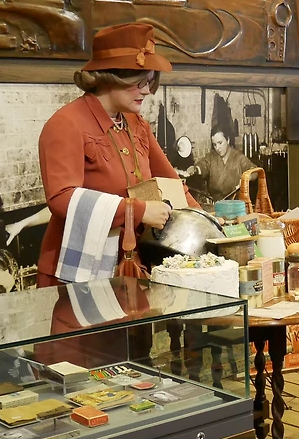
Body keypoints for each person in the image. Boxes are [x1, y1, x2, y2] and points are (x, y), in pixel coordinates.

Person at [36, 22, 198, 286]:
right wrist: (137, 210)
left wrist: (209, 224)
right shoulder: (66, 124)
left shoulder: (136, 124)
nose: (147, 90)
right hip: (75, 277)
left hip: (131, 266)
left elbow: (172, 185)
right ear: (112, 76)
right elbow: (61, 198)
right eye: (140, 82)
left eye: (149, 82)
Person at [186, 127, 256, 202]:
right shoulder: (212, 157)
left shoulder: (238, 158)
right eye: (214, 145)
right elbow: (203, 165)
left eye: (220, 143)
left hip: (236, 205)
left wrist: (246, 178)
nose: (217, 148)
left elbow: (254, 171)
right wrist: (195, 169)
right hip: (217, 205)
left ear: (228, 140)